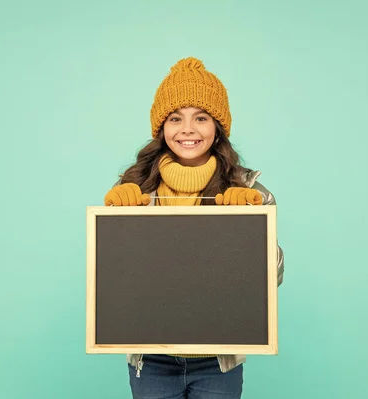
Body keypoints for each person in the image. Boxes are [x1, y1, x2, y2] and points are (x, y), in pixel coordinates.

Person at [103, 57, 285, 399]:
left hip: (217, 360)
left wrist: (251, 230)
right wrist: (116, 218)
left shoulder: (246, 189)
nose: (187, 129)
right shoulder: (136, 187)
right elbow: (115, 277)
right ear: (162, 128)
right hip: (152, 357)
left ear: (218, 126)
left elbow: (274, 275)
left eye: (200, 118)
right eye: (176, 119)